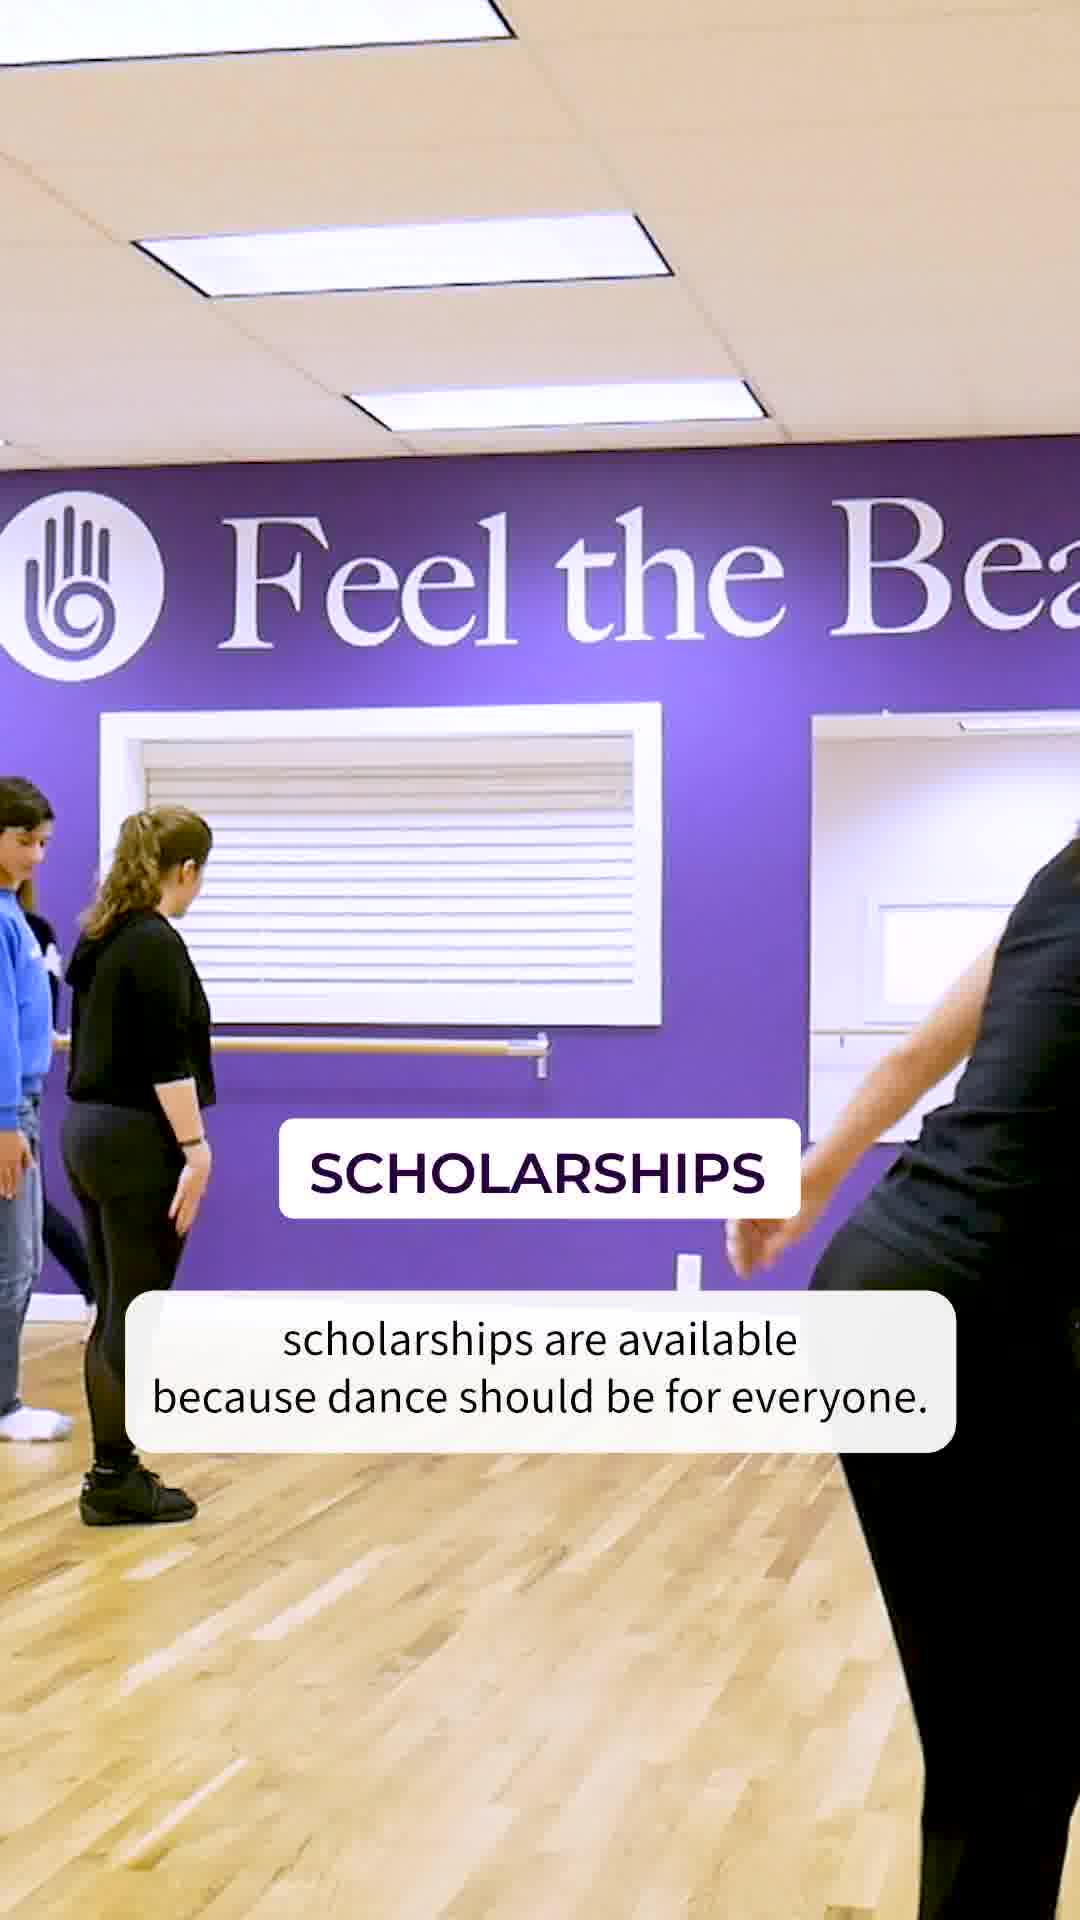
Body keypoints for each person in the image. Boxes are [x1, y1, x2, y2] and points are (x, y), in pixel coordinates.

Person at [726, 831, 1080, 1920]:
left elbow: (921, 1050)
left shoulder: (1069, 869)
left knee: (996, 1724)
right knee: (1019, 1730)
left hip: (885, 1274)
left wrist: (820, 1169)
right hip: (986, 1310)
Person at [62, 805, 215, 1526]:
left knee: (116, 1307)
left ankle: (112, 1471)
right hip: (135, 1139)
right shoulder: (154, 941)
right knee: (136, 1310)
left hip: (88, 1131)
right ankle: (113, 1478)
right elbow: (166, 1061)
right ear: (185, 870)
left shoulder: (101, 935)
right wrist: (195, 1148)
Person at [0, 776, 73, 1442]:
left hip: (22, 1099)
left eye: (44, 843)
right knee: (15, 1263)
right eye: (26, 840)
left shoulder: (13, 913)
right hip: (7, 1107)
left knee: (20, 1260)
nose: (37, 855)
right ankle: (4, 1405)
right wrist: (3, 1120)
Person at [15, 876, 95, 1326]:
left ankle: (94, 1291)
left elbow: (43, 1003)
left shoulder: (33, 930)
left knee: (30, 1200)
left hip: (17, 1083)